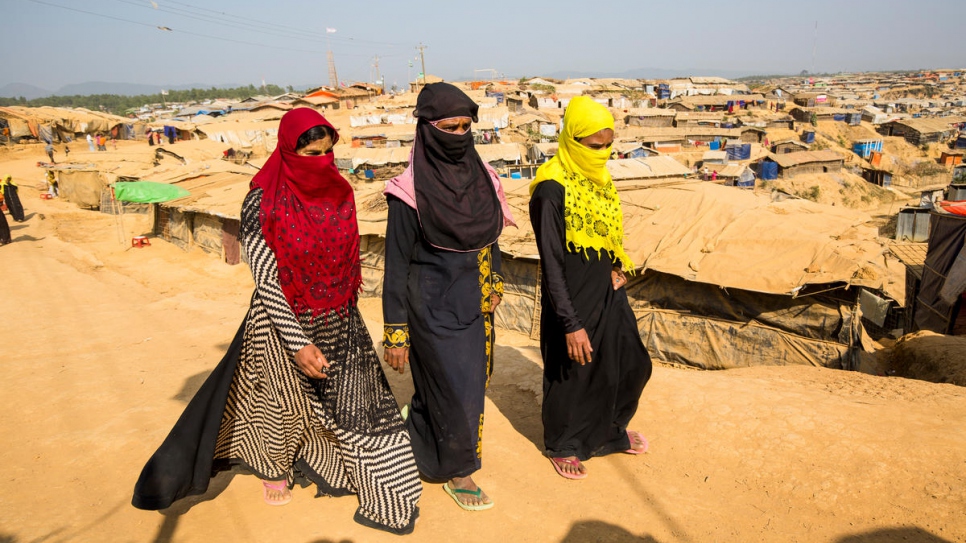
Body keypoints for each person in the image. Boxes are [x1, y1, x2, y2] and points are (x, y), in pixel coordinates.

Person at [132, 108, 422, 535]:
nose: (321, 160)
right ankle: (272, 467)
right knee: (281, 403)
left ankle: (373, 479)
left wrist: (341, 316)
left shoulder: (340, 191)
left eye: (327, 152)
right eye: (310, 152)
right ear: (289, 150)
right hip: (280, 320)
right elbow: (265, 277)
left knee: (358, 405)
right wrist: (297, 341)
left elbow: (346, 262)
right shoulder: (261, 200)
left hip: (339, 316)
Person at [383, 83, 515, 511]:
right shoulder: (407, 193)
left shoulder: (483, 177)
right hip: (431, 307)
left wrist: (493, 281)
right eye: (449, 128)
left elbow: (488, 237)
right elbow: (397, 264)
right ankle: (460, 473)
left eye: (465, 127)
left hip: (474, 303)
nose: (459, 136)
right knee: (457, 392)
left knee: (466, 385)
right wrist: (396, 332)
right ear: (427, 129)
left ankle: (422, 446)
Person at [528, 96, 652, 480]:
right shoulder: (550, 190)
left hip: (607, 290)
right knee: (574, 375)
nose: (601, 154)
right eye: (593, 147)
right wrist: (570, 323)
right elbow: (551, 262)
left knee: (629, 364)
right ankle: (563, 444)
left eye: (607, 146)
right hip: (571, 299)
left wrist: (617, 266)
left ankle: (609, 432)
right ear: (571, 140)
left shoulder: (598, 180)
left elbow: (606, 233)